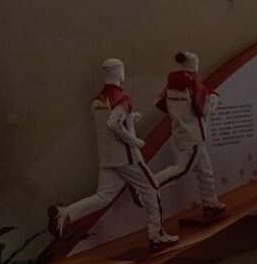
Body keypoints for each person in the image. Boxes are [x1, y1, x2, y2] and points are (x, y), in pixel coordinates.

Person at [48, 59, 179, 250]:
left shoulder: (98, 100)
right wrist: (135, 141)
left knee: (103, 197)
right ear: (118, 72)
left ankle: (64, 213)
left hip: (108, 159)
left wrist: (130, 119)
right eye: (122, 69)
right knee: (151, 189)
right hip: (127, 157)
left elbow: (107, 124)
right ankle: (156, 234)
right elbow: (113, 124)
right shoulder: (122, 98)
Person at [152, 51, 226, 220]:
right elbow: (205, 110)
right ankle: (148, 185)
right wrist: (214, 98)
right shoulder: (196, 85)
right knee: (181, 169)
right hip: (194, 136)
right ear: (195, 66)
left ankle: (211, 204)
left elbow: (159, 103)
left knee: (205, 171)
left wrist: (178, 114)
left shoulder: (170, 86)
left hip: (181, 133)